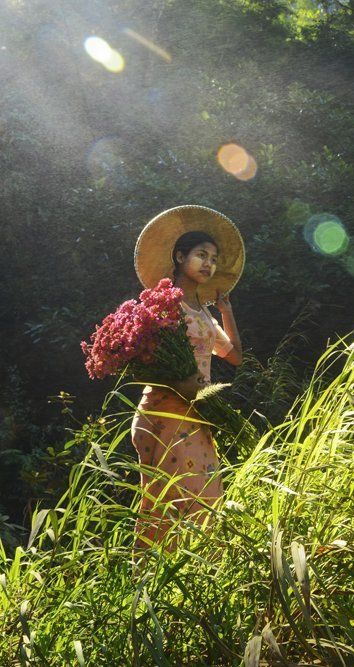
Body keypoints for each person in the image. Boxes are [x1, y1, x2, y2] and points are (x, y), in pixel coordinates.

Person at [129, 205, 245, 549]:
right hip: (167, 411)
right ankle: (156, 583)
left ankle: (191, 583)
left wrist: (226, 311)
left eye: (213, 258)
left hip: (196, 412)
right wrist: (199, 395)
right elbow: (161, 368)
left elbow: (235, 356)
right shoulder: (164, 307)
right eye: (201, 255)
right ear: (180, 257)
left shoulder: (204, 314)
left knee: (202, 499)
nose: (209, 263)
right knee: (174, 503)